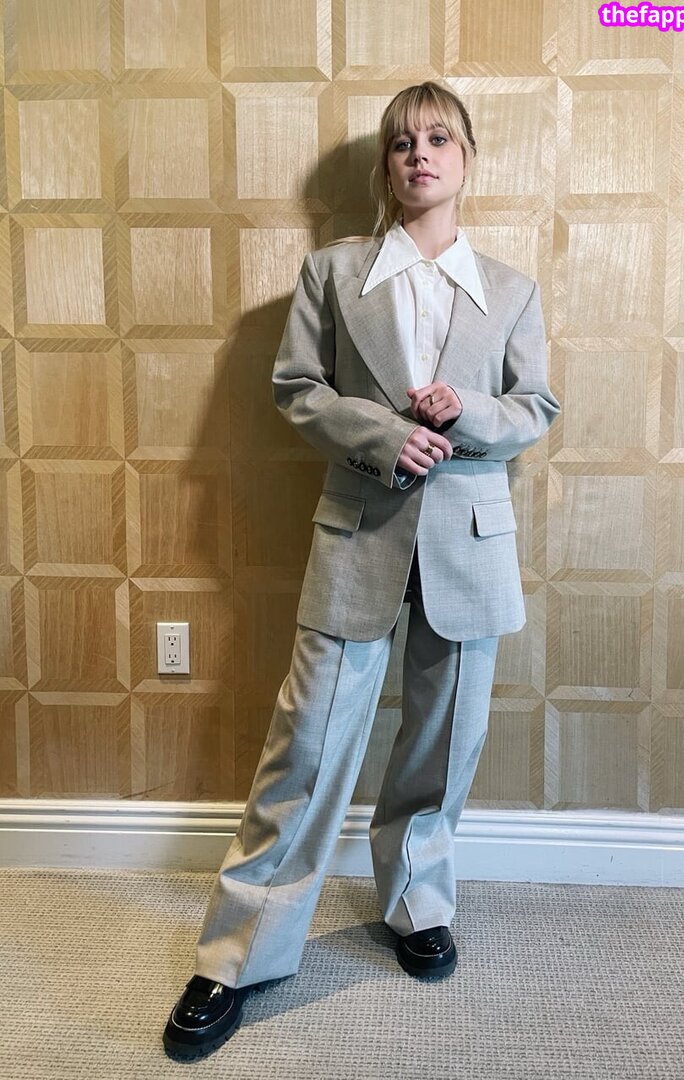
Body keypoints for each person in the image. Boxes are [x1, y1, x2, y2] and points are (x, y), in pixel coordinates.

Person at [163, 79, 560, 1060]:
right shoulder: (334, 273)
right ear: (385, 166)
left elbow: (535, 408)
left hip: (470, 546)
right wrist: (386, 437)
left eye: (438, 138)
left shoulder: (511, 289)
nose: (419, 154)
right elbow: (296, 386)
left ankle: (418, 903)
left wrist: (464, 414)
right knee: (305, 747)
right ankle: (237, 955)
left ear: (467, 159)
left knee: (443, 745)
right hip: (357, 534)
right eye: (401, 142)